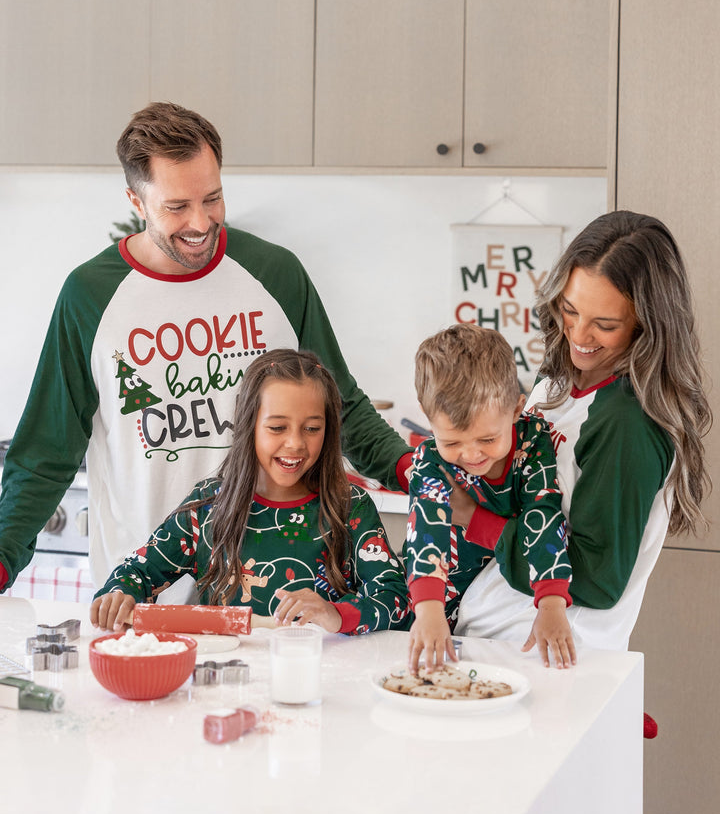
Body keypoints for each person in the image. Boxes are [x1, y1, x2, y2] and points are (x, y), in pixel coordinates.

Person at [0, 102, 412, 592]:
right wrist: (4, 556)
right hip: (143, 596)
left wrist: (416, 472)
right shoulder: (90, 296)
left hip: (270, 594)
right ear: (136, 201)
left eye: (213, 198)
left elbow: (339, 403)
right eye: (176, 207)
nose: (200, 222)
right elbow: (45, 452)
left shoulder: (275, 274)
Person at [455, 210, 712, 652]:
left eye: (606, 325)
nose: (579, 334)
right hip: (491, 635)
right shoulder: (555, 383)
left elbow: (598, 578)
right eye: (569, 310)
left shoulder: (627, 423)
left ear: (648, 325)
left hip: (550, 652)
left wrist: (475, 521)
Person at [91, 349, 410, 635]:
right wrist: (119, 594)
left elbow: (394, 596)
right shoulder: (209, 506)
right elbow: (138, 572)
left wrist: (336, 615)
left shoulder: (349, 506)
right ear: (249, 426)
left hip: (319, 679)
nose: (296, 443)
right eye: (277, 427)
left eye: (312, 428)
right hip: (224, 681)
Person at [405, 324, 575, 673]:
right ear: (428, 418)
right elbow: (426, 530)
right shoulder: (431, 461)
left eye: (487, 439)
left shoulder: (532, 443)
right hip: (440, 592)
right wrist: (429, 611)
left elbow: (542, 517)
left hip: (501, 595)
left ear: (515, 410)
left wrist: (552, 605)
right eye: (452, 443)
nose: (471, 454)